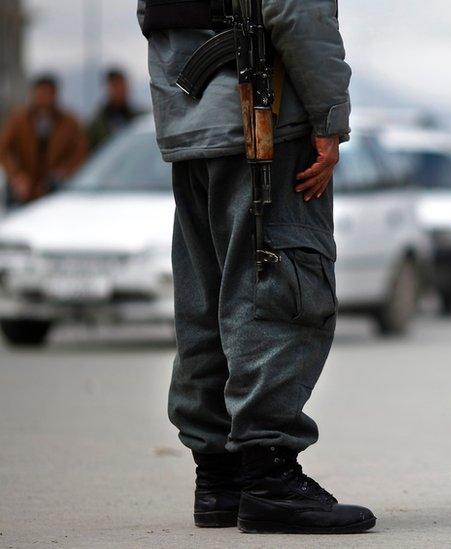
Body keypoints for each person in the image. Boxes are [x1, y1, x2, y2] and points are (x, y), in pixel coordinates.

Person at [138, 0, 374, 534]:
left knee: (209, 298)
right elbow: (298, 12)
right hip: (260, 125)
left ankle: (219, 479)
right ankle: (268, 476)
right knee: (280, 289)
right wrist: (329, 119)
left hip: (190, 125)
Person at [0, 75, 88, 208]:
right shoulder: (18, 120)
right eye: (41, 93)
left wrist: (60, 174)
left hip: (55, 189)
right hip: (23, 190)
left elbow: (79, 153)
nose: (45, 98)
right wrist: (16, 176)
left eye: (49, 93)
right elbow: (4, 149)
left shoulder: (69, 123)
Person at [87, 68, 142, 150]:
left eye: (122, 85)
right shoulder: (97, 125)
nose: (120, 90)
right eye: (116, 86)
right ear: (108, 88)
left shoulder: (140, 119)